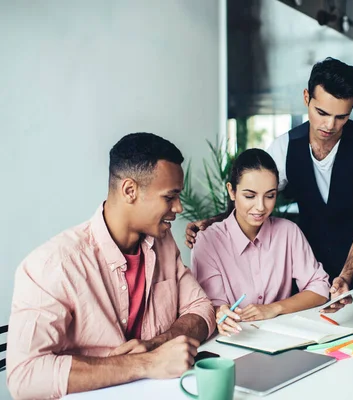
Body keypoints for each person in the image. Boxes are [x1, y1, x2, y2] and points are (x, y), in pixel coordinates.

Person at [6, 133, 216, 399]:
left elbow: (201, 308)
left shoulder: (163, 243)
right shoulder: (53, 265)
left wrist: (159, 343)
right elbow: (25, 375)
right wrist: (147, 363)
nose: (179, 207)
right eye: (169, 197)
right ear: (130, 190)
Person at [186, 57, 353, 308]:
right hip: (309, 280)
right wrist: (213, 222)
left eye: (342, 117)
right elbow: (254, 195)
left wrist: (345, 276)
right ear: (307, 97)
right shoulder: (284, 147)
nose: (330, 125)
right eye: (322, 113)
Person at [190, 149, 330, 335]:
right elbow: (210, 305)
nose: (261, 207)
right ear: (232, 191)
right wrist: (219, 312)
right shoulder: (208, 241)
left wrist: (275, 308)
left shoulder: (288, 232)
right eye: (250, 196)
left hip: (284, 337)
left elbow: (320, 288)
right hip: (234, 339)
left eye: (270, 195)